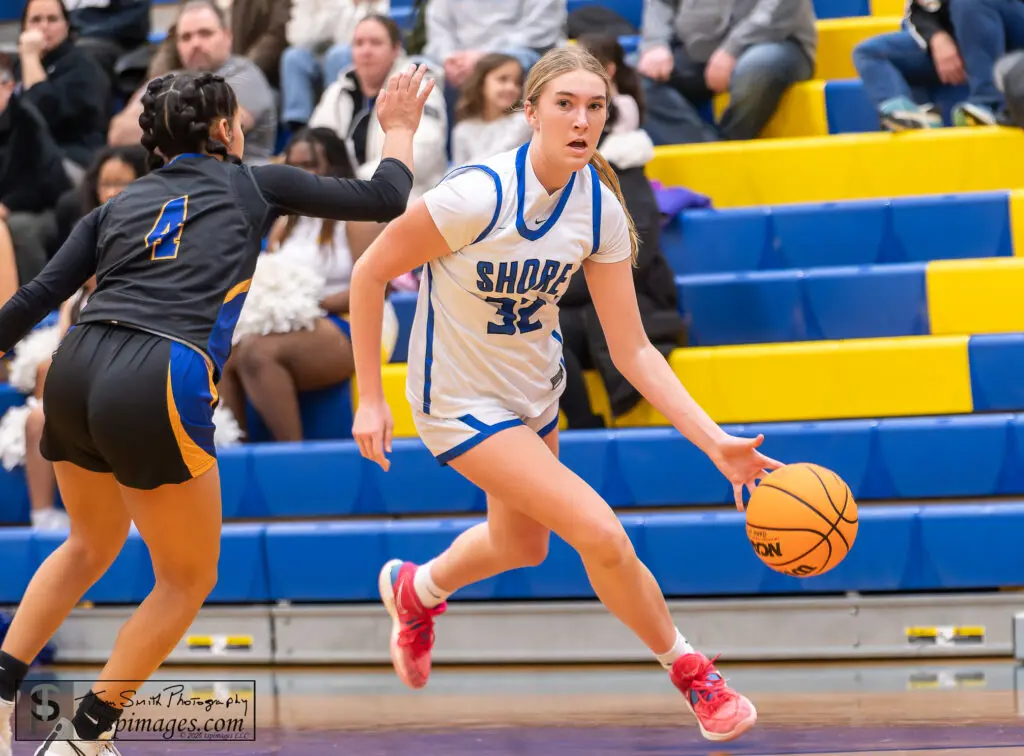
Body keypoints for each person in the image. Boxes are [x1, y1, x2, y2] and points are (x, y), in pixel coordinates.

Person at [348, 46, 780, 743]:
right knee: (599, 532)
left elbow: (633, 350)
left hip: (534, 391)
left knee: (522, 546)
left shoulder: (599, 210)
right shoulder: (476, 195)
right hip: (459, 403)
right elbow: (369, 273)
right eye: (565, 104)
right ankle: (693, 673)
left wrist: (717, 443)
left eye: (595, 106)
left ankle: (415, 589)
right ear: (531, 113)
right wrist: (371, 399)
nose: (582, 120)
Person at [0, 63, 431, 756]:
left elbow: (31, 302)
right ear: (226, 128)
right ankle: (84, 737)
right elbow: (386, 197)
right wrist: (401, 129)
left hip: (74, 367)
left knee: (87, 545)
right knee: (188, 577)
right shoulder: (253, 181)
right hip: (157, 370)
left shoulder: (113, 206)